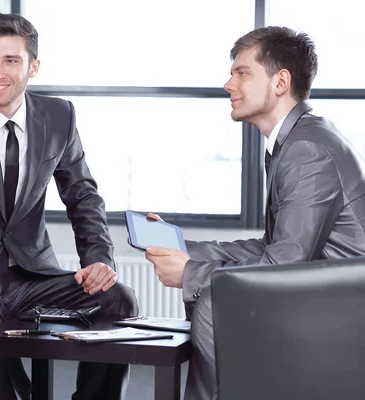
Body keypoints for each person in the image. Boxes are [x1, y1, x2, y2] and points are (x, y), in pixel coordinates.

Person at [144, 26, 365, 400]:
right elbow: (274, 244)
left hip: (342, 308)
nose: (229, 84)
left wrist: (191, 274)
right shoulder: (294, 140)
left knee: (217, 300)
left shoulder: (307, 149)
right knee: (217, 290)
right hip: (326, 291)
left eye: (242, 73)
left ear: (280, 82)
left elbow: (285, 263)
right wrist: (187, 249)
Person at [0, 13, 138, 400]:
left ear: (34, 66)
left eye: (11, 60)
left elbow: (82, 194)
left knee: (119, 299)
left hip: (32, 275)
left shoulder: (59, 116)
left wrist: (99, 258)